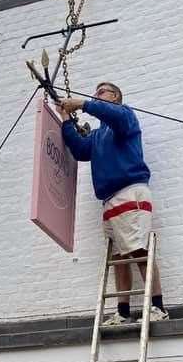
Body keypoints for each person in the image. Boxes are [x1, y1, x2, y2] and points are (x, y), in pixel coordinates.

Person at [57, 82, 168, 325]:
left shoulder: (125, 116)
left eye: (101, 91)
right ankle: (123, 310)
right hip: (110, 199)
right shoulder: (98, 135)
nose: (95, 95)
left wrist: (83, 104)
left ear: (116, 96)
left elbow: (112, 113)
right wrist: (66, 119)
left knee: (138, 250)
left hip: (129, 192)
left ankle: (158, 307)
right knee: (119, 256)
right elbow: (79, 149)